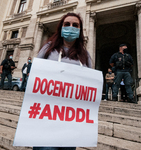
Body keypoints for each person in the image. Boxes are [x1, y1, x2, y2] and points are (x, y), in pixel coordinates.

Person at [34, 12, 92, 150]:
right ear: (61, 28)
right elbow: (35, 75)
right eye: (67, 24)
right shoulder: (48, 49)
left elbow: (89, 84)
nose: (71, 27)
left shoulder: (85, 55)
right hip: (47, 115)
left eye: (75, 25)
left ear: (80, 30)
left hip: (71, 118)